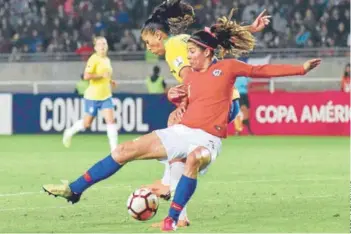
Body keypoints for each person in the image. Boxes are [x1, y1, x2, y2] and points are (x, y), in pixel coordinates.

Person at [42, 9, 321, 232]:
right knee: (123, 150)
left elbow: (262, 70)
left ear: (207, 53)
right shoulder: (190, 74)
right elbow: (212, 38)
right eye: (188, 52)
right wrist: (175, 95)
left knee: (194, 157)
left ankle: (172, 220)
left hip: (208, 138)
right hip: (182, 130)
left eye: (193, 52)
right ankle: (75, 190)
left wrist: (301, 69)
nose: (188, 55)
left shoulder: (225, 68)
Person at [139, 0, 270, 227]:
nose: (149, 48)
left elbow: (192, 79)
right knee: (179, 143)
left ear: (158, 35)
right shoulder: (185, 41)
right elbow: (216, 36)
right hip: (228, 102)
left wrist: (183, 106)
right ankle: (177, 206)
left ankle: (169, 186)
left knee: (174, 132)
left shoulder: (172, 50)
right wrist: (249, 29)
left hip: (217, 104)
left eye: (148, 42)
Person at [62, 36, 118, 152]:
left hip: (106, 96)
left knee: (111, 120)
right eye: (100, 44)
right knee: (87, 123)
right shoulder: (93, 59)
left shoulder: (107, 60)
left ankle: (114, 151)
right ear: (95, 47)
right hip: (93, 96)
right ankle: (69, 132)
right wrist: (101, 76)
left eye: (104, 44)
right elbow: (86, 76)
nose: (102, 46)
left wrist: (110, 81)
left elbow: (106, 75)